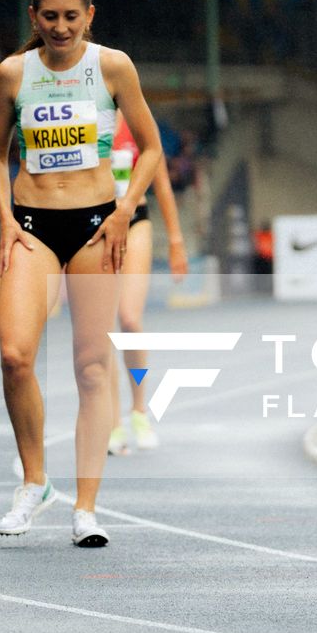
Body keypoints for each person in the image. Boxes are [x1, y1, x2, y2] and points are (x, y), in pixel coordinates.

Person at [0, 0, 162, 548]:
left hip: (94, 229)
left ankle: (86, 507)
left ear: (90, 16)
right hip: (31, 227)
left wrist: (124, 209)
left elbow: (153, 149)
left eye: (71, 16)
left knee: (91, 369)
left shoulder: (112, 66)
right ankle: (35, 482)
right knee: (14, 355)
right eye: (49, 17)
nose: (60, 27)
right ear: (34, 18)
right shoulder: (14, 73)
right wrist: (6, 218)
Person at [105, 116, 188, 455]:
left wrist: (175, 241)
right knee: (100, 330)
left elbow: (163, 185)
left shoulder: (138, 120)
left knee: (129, 319)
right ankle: (112, 423)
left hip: (135, 221)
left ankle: (139, 409)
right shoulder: (82, 113)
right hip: (94, 225)